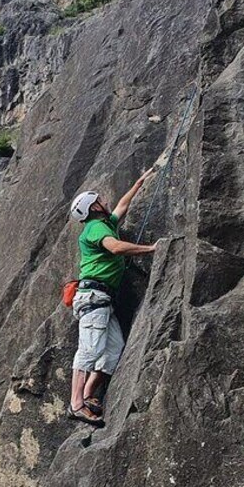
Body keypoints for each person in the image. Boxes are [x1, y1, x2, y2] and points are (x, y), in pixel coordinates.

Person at [68, 169, 157, 426]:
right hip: (93, 297)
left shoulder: (104, 224)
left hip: (102, 300)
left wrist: (139, 182)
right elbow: (116, 248)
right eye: (99, 201)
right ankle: (76, 405)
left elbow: (121, 206)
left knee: (114, 349)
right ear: (93, 208)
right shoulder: (95, 228)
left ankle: (88, 395)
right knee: (90, 349)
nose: (105, 202)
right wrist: (151, 248)